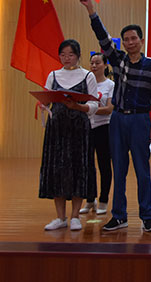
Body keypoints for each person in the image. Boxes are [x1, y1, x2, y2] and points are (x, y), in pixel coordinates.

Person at [79, 0, 151, 233]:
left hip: (140, 120)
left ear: (141, 40)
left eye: (134, 38)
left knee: (143, 171)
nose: (130, 42)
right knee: (119, 170)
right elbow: (102, 36)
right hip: (117, 119)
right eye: (126, 39)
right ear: (123, 43)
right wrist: (91, 10)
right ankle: (119, 216)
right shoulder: (118, 60)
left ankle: (147, 216)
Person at [41, 39, 98, 231]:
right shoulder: (53, 75)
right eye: (63, 55)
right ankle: (60, 217)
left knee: (78, 169)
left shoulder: (87, 75)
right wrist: (43, 104)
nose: (67, 58)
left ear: (78, 56)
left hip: (79, 129)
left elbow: (94, 105)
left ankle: (75, 216)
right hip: (57, 130)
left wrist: (77, 106)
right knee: (57, 169)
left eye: (71, 54)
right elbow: (47, 100)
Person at [80, 52, 114, 216]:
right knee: (87, 165)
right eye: (92, 63)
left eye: (98, 63)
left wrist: (88, 109)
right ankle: (89, 199)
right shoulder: (85, 84)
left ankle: (103, 200)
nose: (94, 66)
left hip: (104, 128)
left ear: (105, 65)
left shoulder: (110, 85)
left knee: (104, 165)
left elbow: (109, 109)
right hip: (87, 127)